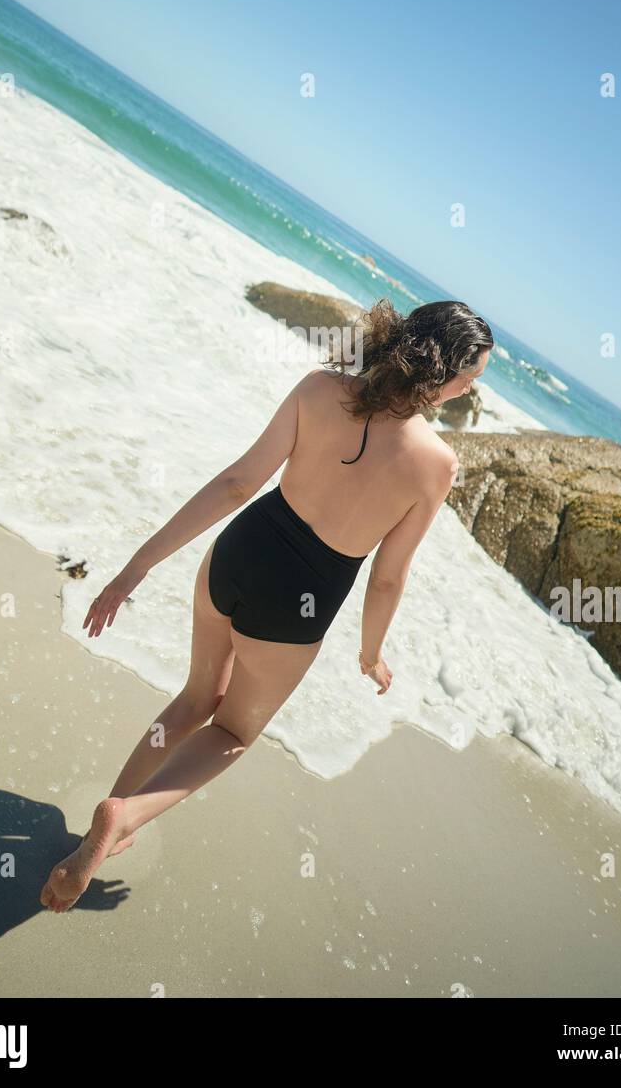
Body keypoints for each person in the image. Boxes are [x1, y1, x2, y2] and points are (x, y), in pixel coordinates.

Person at [40, 297, 493, 911]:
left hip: (237, 556)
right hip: (297, 606)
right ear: (442, 372)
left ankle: (93, 834)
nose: (470, 390)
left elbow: (236, 485)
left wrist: (134, 569)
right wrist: (370, 653)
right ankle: (122, 817)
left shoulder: (319, 389)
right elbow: (388, 578)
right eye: (471, 377)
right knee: (230, 730)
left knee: (196, 697)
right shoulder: (436, 464)